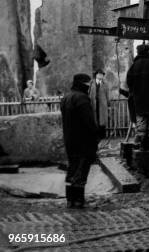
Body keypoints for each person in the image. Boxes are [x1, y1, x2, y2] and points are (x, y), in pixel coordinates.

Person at [60, 73, 98, 209]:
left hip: (70, 140)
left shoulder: (66, 97)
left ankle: (70, 199)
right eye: (88, 84)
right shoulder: (82, 98)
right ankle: (78, 200)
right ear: (83, 84)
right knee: (81, 172)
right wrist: (96, 137)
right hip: (83, 141)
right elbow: (89, 122)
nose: (89, 87)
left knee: (72, 169)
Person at [88, 69, 109, 140]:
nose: (101, 75)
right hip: (93, 104)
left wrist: (108, 104)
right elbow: (88, 92)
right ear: (96, 75)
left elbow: (107, 95)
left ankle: (102, 136)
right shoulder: (91, 83)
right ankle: (95, 136)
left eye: (102, 74)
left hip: (102, 105)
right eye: (99, 74)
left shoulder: (105, 84)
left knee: (102, 121)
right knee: (94, 119)